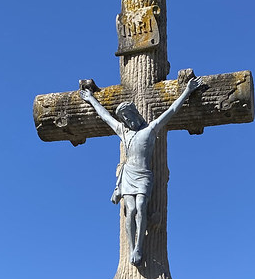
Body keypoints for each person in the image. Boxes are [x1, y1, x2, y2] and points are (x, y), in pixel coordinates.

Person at [79, 76, 201, 265]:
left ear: (135, 114)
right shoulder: (124, 132)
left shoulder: (150, 130)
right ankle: (131, 246)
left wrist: (187, 91)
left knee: (142, 207)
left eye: (129, 116)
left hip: (143, 175)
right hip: (128, 175)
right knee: (131, 209)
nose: (127, 120)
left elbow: (172, 110)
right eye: (125, 118)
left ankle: (139, 246)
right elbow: (105, 116)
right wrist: (91, 99)